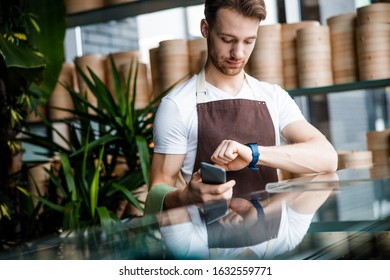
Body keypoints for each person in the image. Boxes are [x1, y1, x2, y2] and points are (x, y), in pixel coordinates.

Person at [145, 0, 338, 214]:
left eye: (249, 41)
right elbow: (157, 190)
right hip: (208, 243)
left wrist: (253, 154)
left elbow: (328, 158)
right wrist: (185, 196)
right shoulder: (177, 105)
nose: (238, 53)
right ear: (205, 29)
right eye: (227, 40)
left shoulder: (274, 96)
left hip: (269, 240)